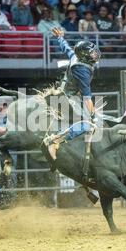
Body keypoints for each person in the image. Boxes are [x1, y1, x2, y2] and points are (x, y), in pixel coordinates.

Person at [43, 27, 101, 161]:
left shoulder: (76, 57)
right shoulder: (82, 70)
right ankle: (55, 141)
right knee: (87, 125)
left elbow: (66, 48)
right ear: (85, 55)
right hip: (67, 98)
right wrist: (93, 115)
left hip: (63, 93)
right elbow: (87, 96)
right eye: (91, 53)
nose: (95, 54)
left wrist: (60, 38)